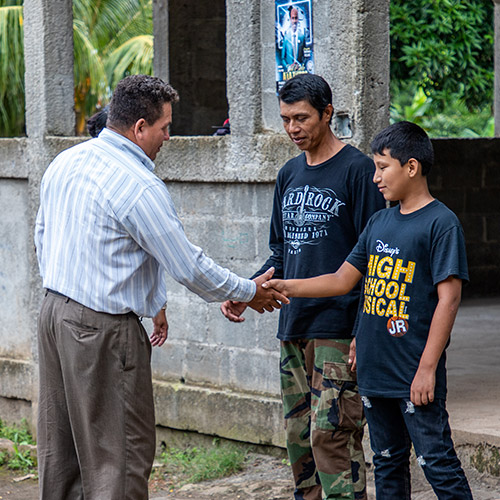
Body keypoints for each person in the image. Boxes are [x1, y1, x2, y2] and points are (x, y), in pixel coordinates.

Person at [34, 74, 288, 500]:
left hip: (54, 314)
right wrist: (247, 289)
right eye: (165, 127)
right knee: (120, 455)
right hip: (102, 331)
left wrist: (145, 299)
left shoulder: (67, 162)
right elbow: (187, 263)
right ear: (139, 128)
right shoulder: (136, 184)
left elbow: (45, 237)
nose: (168, 137)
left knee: (63, 452)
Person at [263, 121, 473, 499]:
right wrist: (285, 285)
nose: (375, 177)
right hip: (374, 373)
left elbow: (449, 299)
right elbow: (343, 280)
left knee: (436, 461)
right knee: (388, 463)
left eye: (382, 167)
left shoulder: (441, 224)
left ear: (411, 167)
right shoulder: (379, 222)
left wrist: (427, 369)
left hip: (413, 375)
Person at [221, 73, 385, 499]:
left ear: (327, 113)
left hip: (337, 328)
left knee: (332, 438)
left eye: (301, 117)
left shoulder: (358, 171)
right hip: (292, 328)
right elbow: (280, 253)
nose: (293, 128)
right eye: (286, 119)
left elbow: (375, 257)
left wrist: (362, 332)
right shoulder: (288, 174)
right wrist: (246, 290)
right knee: (299, 442)